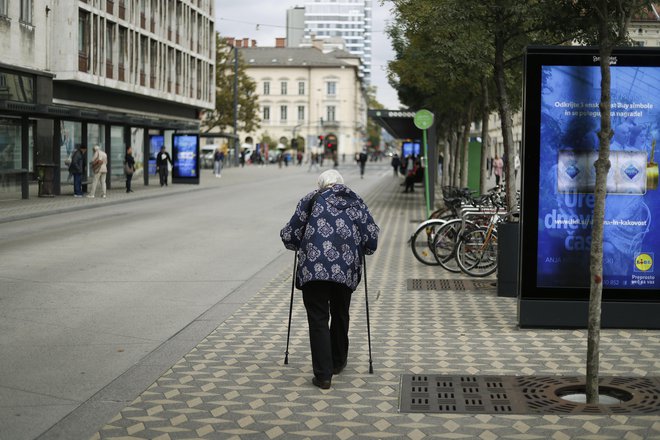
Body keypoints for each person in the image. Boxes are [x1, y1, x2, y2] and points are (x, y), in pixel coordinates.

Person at [280, 170, 379, 390]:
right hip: (345, 269)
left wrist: (296, 239)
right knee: (341, 312)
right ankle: (338, 361)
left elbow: (290, 234)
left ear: (321, 185)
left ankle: (324, 376)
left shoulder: (311, 199)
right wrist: (360, 246)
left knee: (318, 318)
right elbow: (371, 238)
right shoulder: (356, 202)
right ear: (341, 184)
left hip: (314, 269)